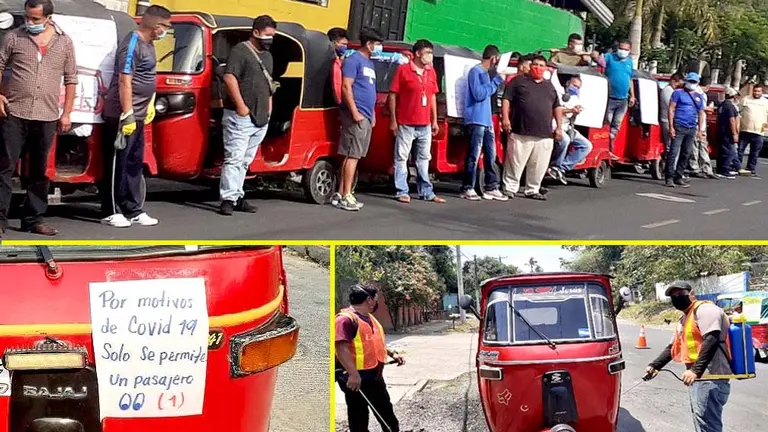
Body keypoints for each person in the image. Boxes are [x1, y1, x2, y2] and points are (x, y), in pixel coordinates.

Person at [0, 0, 77, 236]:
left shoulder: (64, 42)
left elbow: (71, 78)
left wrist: (67, 113)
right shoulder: (14, 37)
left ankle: (33, 219)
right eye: (27, 17)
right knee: (4, 167)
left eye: (35, 19)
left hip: (46, 116)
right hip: (15, 112)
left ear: (48, 18)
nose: (30, 23)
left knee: (38, 170)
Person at [100, 5, 170, 228]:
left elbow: (149, 76)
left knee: (134, 162)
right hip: (122, 114)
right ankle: (111, 210)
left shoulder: (150, 45)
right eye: (166, 27)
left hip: (140, 112)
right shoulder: (132, 43)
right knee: (117, 162)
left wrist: (148, 104)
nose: (166, 31)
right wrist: (127, 112)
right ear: (156, 25)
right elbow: (124, 79)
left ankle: (133, 208)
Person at [646, 281, 732, 432]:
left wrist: (695, 370)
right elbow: (673, 348)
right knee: (702, 423)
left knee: (708, 426)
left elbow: (711, 338)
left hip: (710, 378)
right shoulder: (685, 318)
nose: (677, 298)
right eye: (673, 296)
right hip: (699, 379)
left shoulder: (705, 310)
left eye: (680, 294)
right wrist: (655, 365)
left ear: (692, 293)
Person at [217, 15, 276, 216]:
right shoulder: (240, 51)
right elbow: (229, 77)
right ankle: (228, 198)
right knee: (234, 158)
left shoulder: (268, 57)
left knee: (245, 160)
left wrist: (268, 109)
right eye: (268, 35)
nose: (270, 39)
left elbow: (269, 84)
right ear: (256, 32)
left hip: (260, 118)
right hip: (239, 116)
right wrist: (241, 106)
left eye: (272, 36)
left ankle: (237, 195)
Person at [336, 283, 405, 432]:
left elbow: (373, 342)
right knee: (359, 420)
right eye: (375, 298)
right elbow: (340, 347)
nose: (376, 301)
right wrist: (353, 374)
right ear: (368, 299)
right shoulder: (345, 320)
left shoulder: (369, 318)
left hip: (375, 377)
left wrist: (393, 354)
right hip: (356, 381)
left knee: (388, 418)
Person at [332, 28, 383, 211]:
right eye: (377, 44)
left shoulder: (369, 64)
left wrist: (373, 114)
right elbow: (346, 87)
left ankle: (340, 193)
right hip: (356, 115)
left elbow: (370, 91)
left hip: (367, 115)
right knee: (351, 155)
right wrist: (354, 112)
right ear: (368, 44)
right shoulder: (354, 61)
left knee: (355, 155)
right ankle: (346, 195)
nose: (379, 47)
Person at [388, 39, 445, 204]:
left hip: (425, 124)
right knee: (401, 157)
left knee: (424, 158)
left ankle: (426, 191)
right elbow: (393, 95)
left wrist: (434, 120)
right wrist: (393, 120)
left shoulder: (431, 72)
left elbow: (433, 96)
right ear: (418, 53)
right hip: (406, 122)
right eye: (427, 52)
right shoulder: (403, 70)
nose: (430, 56)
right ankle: (402, 190)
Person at [501, 55, 563, 200]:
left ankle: (532, 189)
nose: (538, 68)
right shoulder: (518, 81)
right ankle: (510, 188)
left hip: (544, 134)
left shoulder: (549, 86)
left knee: (539, 166)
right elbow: (506, 100)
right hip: (520, 131)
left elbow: (557, 107)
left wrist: (559, 127)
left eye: (541, 65)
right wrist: (505, 119)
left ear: (546, 68)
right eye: (535, 65)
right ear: (530, 66)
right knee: (515, 163)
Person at [460, 45, 507, 201]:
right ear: (493, 59)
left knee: (490, 154)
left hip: (487, 121)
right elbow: (479, 94)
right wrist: (496, 82)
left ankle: (491, 186)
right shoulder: (476, 72)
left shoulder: (486, 74)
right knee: (474, 154)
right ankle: (468, 187)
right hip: (476, 119)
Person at [548, 76, 591, 184]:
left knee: (586, 145)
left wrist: (575, 113)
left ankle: (562, 167)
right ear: (567, 83)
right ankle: (554, 165)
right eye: (574, 85)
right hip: (553, 125)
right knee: (565, 140)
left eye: (578, 87)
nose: (575, 88)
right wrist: (570, 110)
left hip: (567, 127)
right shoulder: (557, 93)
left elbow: (572, 117)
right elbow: (557, 111)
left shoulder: (575, 98)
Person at [667, 72, 705, 188]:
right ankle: (669, 176)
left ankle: (679, 176)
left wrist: (700, 130)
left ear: (697, 83)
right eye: (690, 81)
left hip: (692, 127)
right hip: (679, 125)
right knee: (673, 152)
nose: (692, 84)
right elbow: (671, 109)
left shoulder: (699, 96)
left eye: (694, 82)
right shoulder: (677, 93)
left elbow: (701, 113)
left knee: (686, 153)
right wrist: (671, 126)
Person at [600, 40, 635, 157]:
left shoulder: (630, 62)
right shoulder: (609, 57)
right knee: (606, 123)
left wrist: (632, 96)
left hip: (623, 100)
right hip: (609, 97)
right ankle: (604, 149)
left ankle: (610, 149)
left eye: (626, 49)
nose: (623, 51)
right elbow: (599, 63)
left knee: (616, 126)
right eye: (621, 48)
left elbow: (630, 79)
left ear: (629, 51)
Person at [735, 83, 768, 177]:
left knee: (754, 152)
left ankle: (751, 168)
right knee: (740, 150)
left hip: (758, 132)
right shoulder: (745, 99)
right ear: (752, 91)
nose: (756, 93)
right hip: (745, 130)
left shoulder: (765, 102)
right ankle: (737, 167)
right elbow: (738, 112)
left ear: (762, 92)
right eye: (755, 91)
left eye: (758, 91)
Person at [688, 76, 718, 179]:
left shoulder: (698, 93)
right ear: (708, 86)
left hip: (700, 124)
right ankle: (697, 168)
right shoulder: (698, 93)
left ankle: (704, 168)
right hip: (696, 123)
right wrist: (708, 108)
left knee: (700, 146)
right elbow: (699, 108)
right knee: (697, 147)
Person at [717, 87, 740, 179]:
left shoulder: (722, 105)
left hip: (721, 131)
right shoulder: (730, 106)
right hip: (727, 132)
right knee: (728, 151)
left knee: (722, 151)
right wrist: (734, 134)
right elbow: (732, 120)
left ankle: (720, 169)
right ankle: (725, 170)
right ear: (733, 96)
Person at [660, 74, 684, 153]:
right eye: (678, 84)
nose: (679, 86)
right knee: (670, 143)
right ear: (673, 81)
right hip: (667, 119)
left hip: (671, 119)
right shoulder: (668, 90)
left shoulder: (672, 90)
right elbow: (670, 106)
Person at [328, 27, 349, 105]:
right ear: (334, 42)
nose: (345, 47)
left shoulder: (342, 59)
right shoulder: (328, 59)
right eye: (343, 44)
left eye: (346, 45)